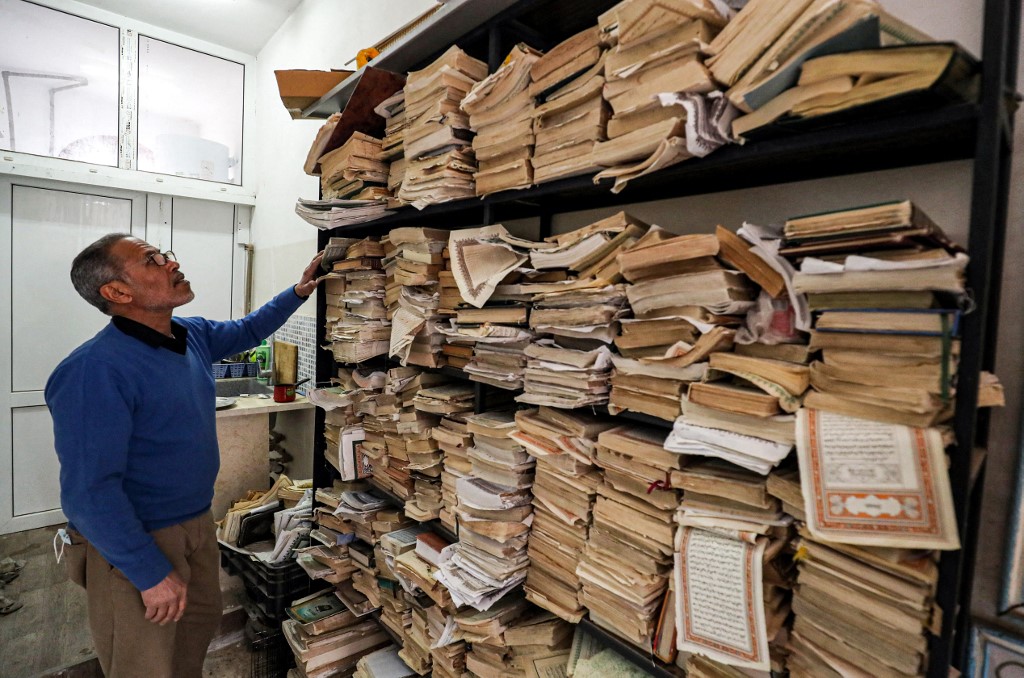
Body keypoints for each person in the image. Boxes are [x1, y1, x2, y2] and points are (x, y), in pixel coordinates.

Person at [44, 233, 323, 678]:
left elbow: (248, 329)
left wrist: (298, 291)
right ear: (117, 292)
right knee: (145, 663)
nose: (171, 263)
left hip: (196, 523)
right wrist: (149, 572)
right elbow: (88, 492)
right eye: (153, 260)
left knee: (191, 644)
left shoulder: (189, 335)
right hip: (139, 539)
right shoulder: (93, 372)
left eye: (165, 254)